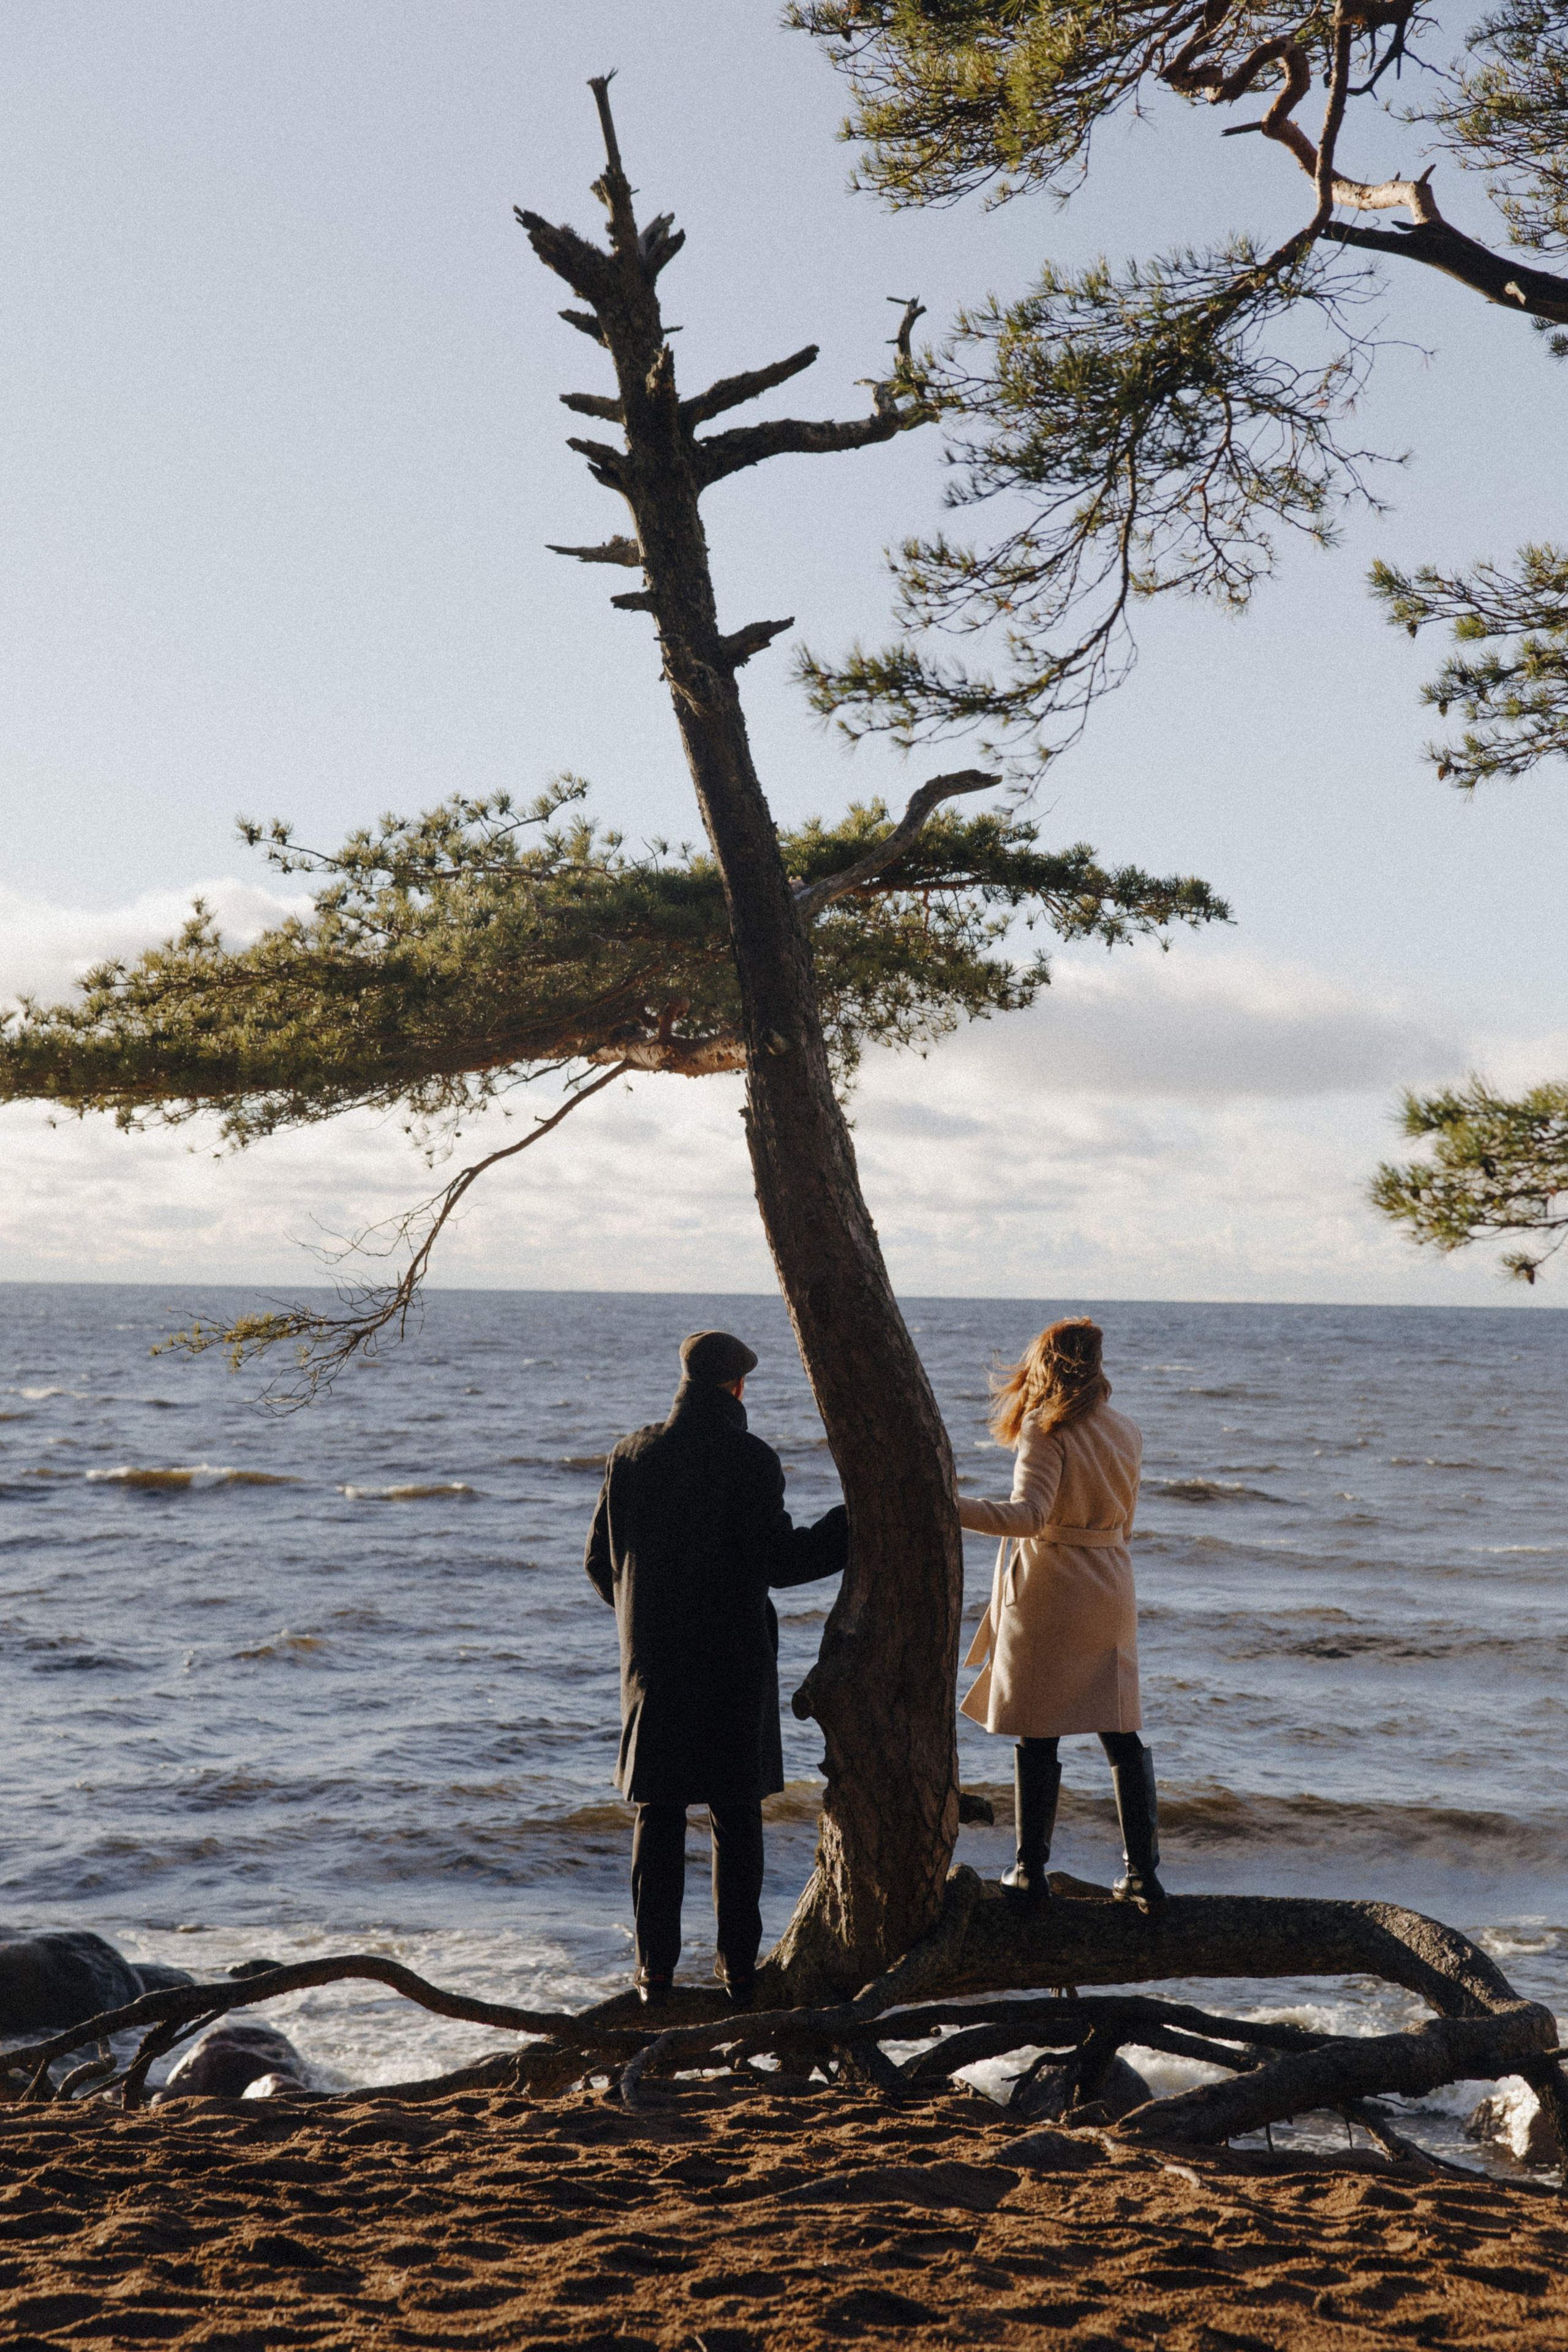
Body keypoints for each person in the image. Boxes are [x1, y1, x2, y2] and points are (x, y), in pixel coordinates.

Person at [586, 1328, 848, 2003]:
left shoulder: (630, 1455)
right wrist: (851, 1526)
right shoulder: (750, 1459)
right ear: (738, 1387)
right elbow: (781, 1562)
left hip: (655, 1665)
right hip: (732, 1661)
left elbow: (599, 1565)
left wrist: (643, 1616)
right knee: (736, 1821)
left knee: (659, 1815)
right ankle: (736, 1972)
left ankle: (654, 1975)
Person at [957, 1317, 1165, 1909]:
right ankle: (1143, 1876)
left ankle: (1029, 1871)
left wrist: (947, 1504)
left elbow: (1027, 1519)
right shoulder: (1126, 1428)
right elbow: (1126, 1521)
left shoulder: (1045, 1429)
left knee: (1039, 1731)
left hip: (1052, 1590)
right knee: (1121, 1730)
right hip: (1110, 1584)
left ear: (1046, 1363)